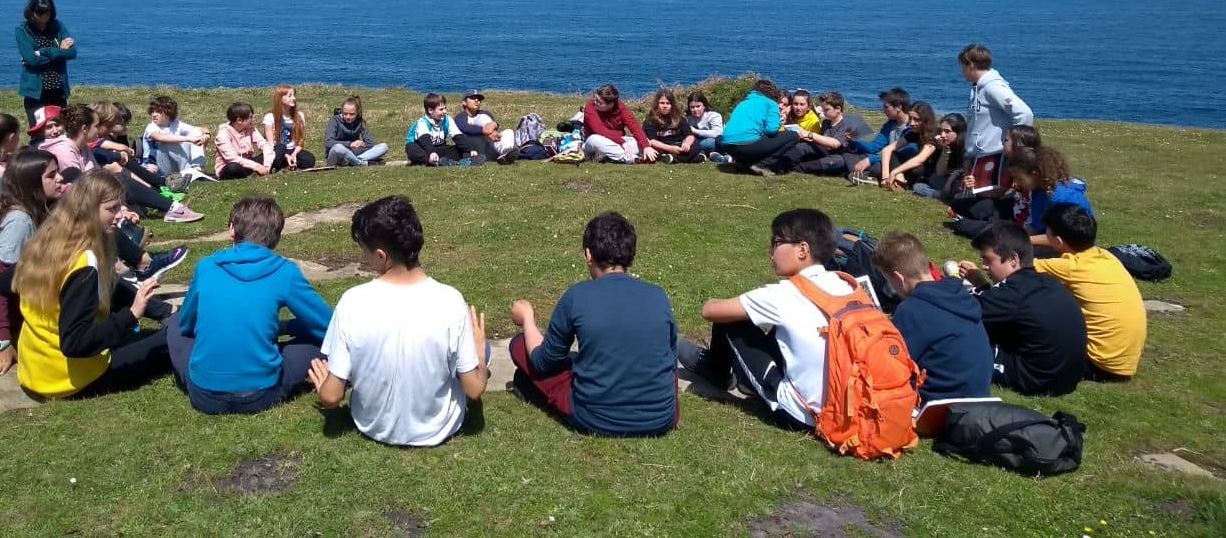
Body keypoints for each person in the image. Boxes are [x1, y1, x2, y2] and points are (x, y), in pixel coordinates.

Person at [308, 196, 490, 447]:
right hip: (438, 427)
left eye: (365, 251)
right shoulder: (450, 300)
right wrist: (480, 355)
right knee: (478, 344)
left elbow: (331, 397)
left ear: (381, 256)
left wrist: (324, 385)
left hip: (372, 426)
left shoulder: (352, 302)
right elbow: (474, 390)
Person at [677, 208, 854, 431]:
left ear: (802, 249)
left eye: (777, 242)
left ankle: (716, 371)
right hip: (855, 404)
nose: (771, 252)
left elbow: (710, 311)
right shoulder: (850, 285)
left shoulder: (786, 294)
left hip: (806, 415)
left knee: (732, 320)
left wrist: (717, 301)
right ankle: (735, 374)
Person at [3, 169, 174, 399]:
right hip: (70, 382)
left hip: (35, 372)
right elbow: (75, 343)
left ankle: (169, 314)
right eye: (112, 208)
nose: (120, 215)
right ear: (89, 210)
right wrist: (131, 315)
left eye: (120, 207)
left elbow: (4, 284)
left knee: (118, 296)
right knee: (173, 339)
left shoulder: (49, 240)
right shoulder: (84, 264)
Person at [508, 212, 677, 436]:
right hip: (660, 417)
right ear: (631, 257)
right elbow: (670, 359)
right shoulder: (658, 296)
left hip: (595, 417)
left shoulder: (578, 296)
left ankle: (533, 388)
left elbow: (543, 362)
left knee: (520, 346)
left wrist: (527, 320)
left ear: (588, 255)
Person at [168, 196, 333, 415]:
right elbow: (329, 326)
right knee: (317, 345)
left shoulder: (206, 267)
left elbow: (187, 325)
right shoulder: (285, 272)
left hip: (204, 395)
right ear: (276, 237)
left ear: (231, 229)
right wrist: (291, 328)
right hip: (261, 394)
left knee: (174, 324)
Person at [954, 223, 1087, 395]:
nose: (984, 266)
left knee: (958, 343)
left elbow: (959, 311)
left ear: (1013, 259)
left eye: (988, 259)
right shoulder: (1047, 282)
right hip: (1069, 375)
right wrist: (981, 285)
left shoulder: (1012, 294)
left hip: (1038, 380)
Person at [872, 232, 993, 402]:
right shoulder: (960, 295)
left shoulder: (911, 310)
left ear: (899, 278)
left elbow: (890, 364)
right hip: (980, 398)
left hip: (940, 408)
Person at [0, 147, 65, 377]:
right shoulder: (19, 221)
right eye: (51, 175)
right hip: (22, 310)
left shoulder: (28, 208)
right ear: (31, 183)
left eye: (58, 172)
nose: (60, 178)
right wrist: (1, 342)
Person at [1034, 203, 1146, 379]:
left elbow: (1013, 268)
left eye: (1046, 232)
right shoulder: (1106, 256)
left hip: (1095, 364)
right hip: (1122, 364)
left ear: (1058, 241)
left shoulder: (1069, 267)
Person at [91, 101, 201, 222]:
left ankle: (165, 198)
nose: (110, 129)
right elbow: (106, 159)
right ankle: (171, 205)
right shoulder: (81, 145)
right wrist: (118, 154)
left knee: (140, 209)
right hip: (93, 189)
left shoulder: (95, 142)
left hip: (101, 187)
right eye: (108, 126)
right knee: (121, 178)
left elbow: (102, 150)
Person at [1002, 128, 1094, 248]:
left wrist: (1020, 241)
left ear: (1035, 174)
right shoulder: (1038, 191)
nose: (1016, 183)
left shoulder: (1061, 198)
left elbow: (1060, 239)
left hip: (1073, 248)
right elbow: (1037, 227)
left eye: (1019, 178)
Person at [960, 44, 1034, 176]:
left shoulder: (992, 87)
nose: (962, 71)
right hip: (980, 154)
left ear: (971, 65)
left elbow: (1024, 113)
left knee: (984, 195)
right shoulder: (978, 87)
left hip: (992, 155)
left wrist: (1014, 144)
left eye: (963, 66)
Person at [15, 0, 76, 134]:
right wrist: (59, 51)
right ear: (31, 12)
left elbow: (72, 53)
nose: (43, 19)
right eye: (39, 14)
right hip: (36, 93)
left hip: (57, 90)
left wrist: (45, 52)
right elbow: (31, 59)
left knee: (59, 132)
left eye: (47, 14)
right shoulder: (22, 30)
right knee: (38, 133)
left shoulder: (58, 26)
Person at [719, 79, 797, 175]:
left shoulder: (743, 102)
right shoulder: (771, 103)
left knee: (751, 138)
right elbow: (771, 130)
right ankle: (762, 164)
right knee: (794, 136)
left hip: (727, 145)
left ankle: (742, 163)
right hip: (747, 144)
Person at [787, 91, 874, 176]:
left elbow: (835, 144)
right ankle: (786, 161)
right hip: (828, 153)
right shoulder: (826, 122)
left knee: (835, 160)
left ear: (838, 109)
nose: (823, 112)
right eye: (823, 109)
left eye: (826, 109)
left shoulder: (848, 123)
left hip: (846, 158)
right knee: (805, 146)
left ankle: (797, 168)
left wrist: (810, 134)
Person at [843, 89, 911, 184]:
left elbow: (903, 154)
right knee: (848, 154)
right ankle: (867, 177)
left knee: (876, 167)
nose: (883, 110)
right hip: (885, 160)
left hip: (903, 165)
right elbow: (875, 147)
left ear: (898, 107)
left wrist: (872, 159)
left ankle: (865, 175)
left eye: (886, 107)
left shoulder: (912, 127)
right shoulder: (889, 126)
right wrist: (854, 140)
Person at [142, 94, 213, 184]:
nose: (154, 115)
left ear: (168, 112)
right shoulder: (151, 127)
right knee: (168, 142)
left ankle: (197, 169)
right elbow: (160, 138)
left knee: (196, 132)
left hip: (175, 165)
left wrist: (206, 135)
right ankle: (189, 172)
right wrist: (189, 139)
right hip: (157, 166)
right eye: (152, 111)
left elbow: (201, 129)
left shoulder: (176, 124)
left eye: (158, 112)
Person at [582, 84, 658, 164]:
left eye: (599, 102)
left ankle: (612, 155)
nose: (595, 102)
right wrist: (622, 142)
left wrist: (646, 146)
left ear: (611, 104)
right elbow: (600, 130)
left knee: (645, 141)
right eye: (595, 98)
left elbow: (634, 127)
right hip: (594, 143)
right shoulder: (590, 107)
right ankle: (634, 159)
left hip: (616, 142)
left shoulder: (620, 108)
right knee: (594, 139)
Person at [878, 101, 940, 191]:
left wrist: (895, 171)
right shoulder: (914, 133)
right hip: (916, 168)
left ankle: (900, 183)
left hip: (931, 171)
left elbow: (920, 159)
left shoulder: (934, 134)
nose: (911, 123)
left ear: (925, 120)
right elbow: (887, 150)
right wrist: (886, 176)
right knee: (892, 153)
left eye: (916, 119)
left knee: (917, 168)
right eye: (910, 118)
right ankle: (897, 181)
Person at [910, 114, 967, 200]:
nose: (943, 135)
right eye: (941, 131)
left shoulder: (967, 146)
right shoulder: (942, 143)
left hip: (963, 181)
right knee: (923, 183)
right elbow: (940, 172)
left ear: (958, 132)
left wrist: (951, 178)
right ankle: (940, 194)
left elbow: (964, 170)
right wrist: (945, 150)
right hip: (945, 179)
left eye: (947, 131)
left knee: (959, 185)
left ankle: (943, 194)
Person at [324, 95, 389, 167]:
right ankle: (360, 163)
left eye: (351, 114)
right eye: (345, 113)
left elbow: (370, 143)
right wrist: (350, 144)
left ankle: (353, 161)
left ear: (357, 112)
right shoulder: (334, 120)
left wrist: (360, 145)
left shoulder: (360, 122)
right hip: (337, 155)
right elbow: (328, 142)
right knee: (338, 147)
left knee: (384, 147)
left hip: (354, 153)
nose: (348, 117)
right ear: (342, 111)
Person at [262, 85, 317, 172]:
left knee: (310, 159)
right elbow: (271, 144)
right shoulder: (270, 117)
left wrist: (294, 154)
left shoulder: (300, 116)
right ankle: (283, 162)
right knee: (277, 154)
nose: (294, 98)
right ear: (280, 98)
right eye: (290, 96)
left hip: (292, 149)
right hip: (278, 150)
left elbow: (300, 141)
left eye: (294, 95)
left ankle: (291, 163)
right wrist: (286, 155)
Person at [452, 91, 516, 163]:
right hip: (475, 148)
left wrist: (495, 124)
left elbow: (492, 128)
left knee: (508, 131)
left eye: (479, 99)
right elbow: (466, 128)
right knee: (483, 119)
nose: (477, 100)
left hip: (489, 144)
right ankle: (505, 154)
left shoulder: (486, 113)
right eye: (473, 98)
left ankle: (506, 153)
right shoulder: (460, 117)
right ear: (464, 103)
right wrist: (485, 130)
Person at [641, 90, 703, 163]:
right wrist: (670, 149)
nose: (665, 106)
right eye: (662, 103)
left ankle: (674, 158)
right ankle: (693, 158)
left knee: (695, 143)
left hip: (678, 145)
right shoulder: (650, 120)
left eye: (668, 103)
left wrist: (687, 143)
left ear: (672, 105)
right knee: (654, 149)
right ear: (657, 104)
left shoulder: (679, 118)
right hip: (662, 147)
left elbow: (690, 135)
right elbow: (652, 141)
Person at [404, 93, 466, 166]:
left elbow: (457, 136)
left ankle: (464, 159)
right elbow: (425, 140)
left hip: (439, 149)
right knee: (411, 148)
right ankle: (433, 162)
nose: (445, 111)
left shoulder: (447, 119)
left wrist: (470, 150)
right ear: (430, 110)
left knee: (458, 148)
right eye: (441, 109)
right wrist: (432, 153)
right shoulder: (422, 122)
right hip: (423, 149)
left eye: (445, 108)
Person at [215, 102, 273, 179]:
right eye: (250, 117)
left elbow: (264, 145)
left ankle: (261, 172)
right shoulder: (223, 134)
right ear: (239, 120)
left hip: (249, 164)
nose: (252, 120)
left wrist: (266, 165)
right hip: (231, 166)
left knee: (279, 148)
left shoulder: (250, 129)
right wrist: (256, 166)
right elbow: (233, 158)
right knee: (233, 167)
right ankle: (251, 175)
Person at [686, 91, 729, 163]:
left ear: (704, 106)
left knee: (708, 142)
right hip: (702, 142)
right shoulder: (689, 118)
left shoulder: (713, 115)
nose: (695, 110)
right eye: (692, 107)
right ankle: (712, 155)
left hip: (719, 141)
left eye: (698, 106)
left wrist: (695, 131)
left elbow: (718, 132)